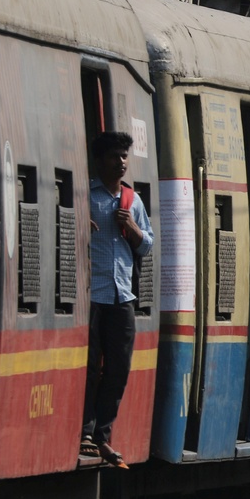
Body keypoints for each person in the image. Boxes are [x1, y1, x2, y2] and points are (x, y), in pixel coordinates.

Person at [81, 131, 154, 468]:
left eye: (124, 156)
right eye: (115, 156)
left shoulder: (132, 201)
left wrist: (133, 228)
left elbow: (147, 245)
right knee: (90, 366)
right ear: (100, 161)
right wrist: (84, 228)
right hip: (92, 296)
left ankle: (102, 435)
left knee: (119, 368)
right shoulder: (86, 196)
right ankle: (86, 431)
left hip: (121, 295)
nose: (121, 162)